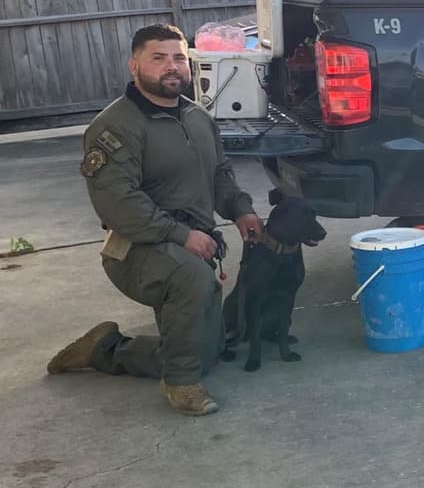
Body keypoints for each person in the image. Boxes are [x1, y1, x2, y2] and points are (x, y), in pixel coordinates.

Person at [46, 24, 263, 416]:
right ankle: (181, 385)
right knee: (193, 280)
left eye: (179, 58)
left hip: (188, 246)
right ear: (135, 66)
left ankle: (104, 349)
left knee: (207, 352)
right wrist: (181, 235)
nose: (172, 67)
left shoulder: (198, 118)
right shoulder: (114, 126)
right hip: (135, 251)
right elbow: (118, 203)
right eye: (158, 58)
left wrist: (241, 209)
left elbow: (220, 174)